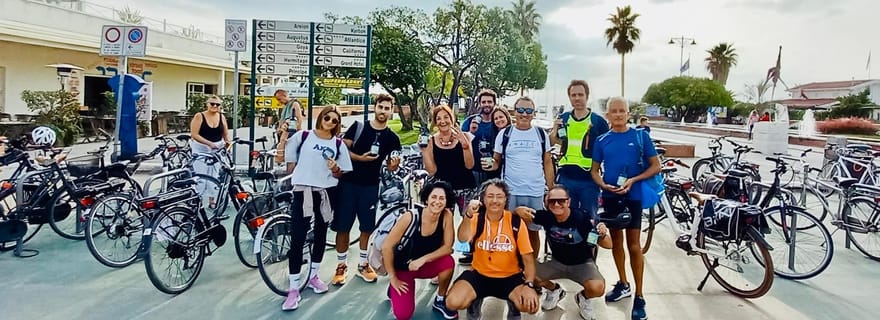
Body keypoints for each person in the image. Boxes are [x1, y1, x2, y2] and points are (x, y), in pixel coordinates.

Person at [590, 97, 661, 320]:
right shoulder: (602, 140)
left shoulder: (641, 136)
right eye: (614, 111)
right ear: (608, 115)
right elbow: (594, 171)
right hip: (611, 197)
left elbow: (656, 166)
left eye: (622, 111)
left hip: (634, 197)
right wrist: (603, 184)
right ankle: (623, 283)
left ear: (628, 114)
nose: (618, 114)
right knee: (616, 244)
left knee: (634, 246)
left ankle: (640, 296)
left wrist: (633, 180)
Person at [282, 107, 354, 311]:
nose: (330, 121)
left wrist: (335, 169)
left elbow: (342, 173)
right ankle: (294, 288)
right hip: (303, 191)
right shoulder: (303, 136)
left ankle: (314, 275)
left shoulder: (338, 144)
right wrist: (283, 137)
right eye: (327, 117)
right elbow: (287, 161)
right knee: (297, 237)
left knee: (321, 235)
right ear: (321, 118)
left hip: (326, 192)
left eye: (334, 120)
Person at [332, 94, 402, 286]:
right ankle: (341, 265)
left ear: (391, 111)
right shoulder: (358, 127)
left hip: (371, 186)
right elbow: (342, 150)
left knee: (367, 228)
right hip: (348, 184)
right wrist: (360, 158)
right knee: (343, 227)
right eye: (381, 107)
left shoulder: (393, 138)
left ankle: (363, 264)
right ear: (375, 107)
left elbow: (392, 166)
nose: (383, 111)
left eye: (387, 108)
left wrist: (393, 166)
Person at [445, 179, 541, 319]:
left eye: (499, 196)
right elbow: (462, 238)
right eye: (490, 196)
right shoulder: (477, 219)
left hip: (510, 277)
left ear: (506, 199)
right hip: (480, 275)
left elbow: (528, 259)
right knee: (452, 302)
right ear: (483, 199)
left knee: (530, 306)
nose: (494, 200)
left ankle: (513, 304)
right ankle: (474, 300)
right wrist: (468, 215)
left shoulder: (515, 222)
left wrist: (529, 284)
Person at [513, 185, 611, 320]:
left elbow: (608, 245)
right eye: (552, 201)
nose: (557, 204)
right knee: (526, 274)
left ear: (568, 202)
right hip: (556, 262)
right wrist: (517, 210)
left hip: (582, 264)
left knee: (597, 288)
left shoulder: (581, 218)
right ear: (547, 203)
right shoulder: (546, 216)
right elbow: (521, 214)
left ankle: (583, 298)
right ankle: (554, 290)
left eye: (561, 200)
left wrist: (603, 233)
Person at [384, 181, 458, 320]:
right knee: (403, 314)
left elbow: (448, 247)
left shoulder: (446, 215)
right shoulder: (410, 217)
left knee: (448, 262)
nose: (437, 202)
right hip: (403, 268)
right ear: (427, 198)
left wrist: (423, 259)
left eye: (442, 198)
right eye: (433, 197)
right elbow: (386, 247)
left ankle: (440, 300)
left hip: (423, 265)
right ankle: (393, 287)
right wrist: (393, 277)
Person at [549, 80, 610, 222]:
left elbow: (607, 150)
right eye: (573, 95)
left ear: (587, 96)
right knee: (564, 218)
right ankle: (567, 244)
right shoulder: (563, 118)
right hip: (566, 177)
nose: (577, 98)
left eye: (580, 94)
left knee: (590, 219)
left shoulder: (598, 121)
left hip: (589, 179)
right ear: (569, 97)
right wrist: (555, 129)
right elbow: (551, 142)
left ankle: (591, 245)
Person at [422, 105, 476, 214]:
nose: (443, 121)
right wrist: (424, 151)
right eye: (438, 118)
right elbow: (431, 171)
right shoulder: (431, 141)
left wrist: (465, 146)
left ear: (451, 118)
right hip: (442, 191)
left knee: (469, 222)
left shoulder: (464, 136)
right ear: (435, 122)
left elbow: (470, 165)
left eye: (446, 117)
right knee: (443, 223)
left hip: (465, 188)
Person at [188, 95, 231, 213]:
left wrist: (228, 144)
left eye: (217, 105)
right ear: (207, 104)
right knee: (201, 175)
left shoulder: (221, 117)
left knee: (215, 174)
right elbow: (194, 134)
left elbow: (225, 133)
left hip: (217, 148)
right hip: (201, 148)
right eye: (212, 104)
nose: (215, 106)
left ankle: (213, 200)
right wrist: (209, 143)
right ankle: (197, 201)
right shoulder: (199, 116)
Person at [274, 89, 304, 167]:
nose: (279, 101)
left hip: (292, 133)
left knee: (291, 157)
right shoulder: (285, 107)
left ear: (284, 96)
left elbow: (299, 119)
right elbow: (282, 119)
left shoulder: (294, 104)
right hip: (285, 133)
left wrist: (296, 132)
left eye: (279, 99)